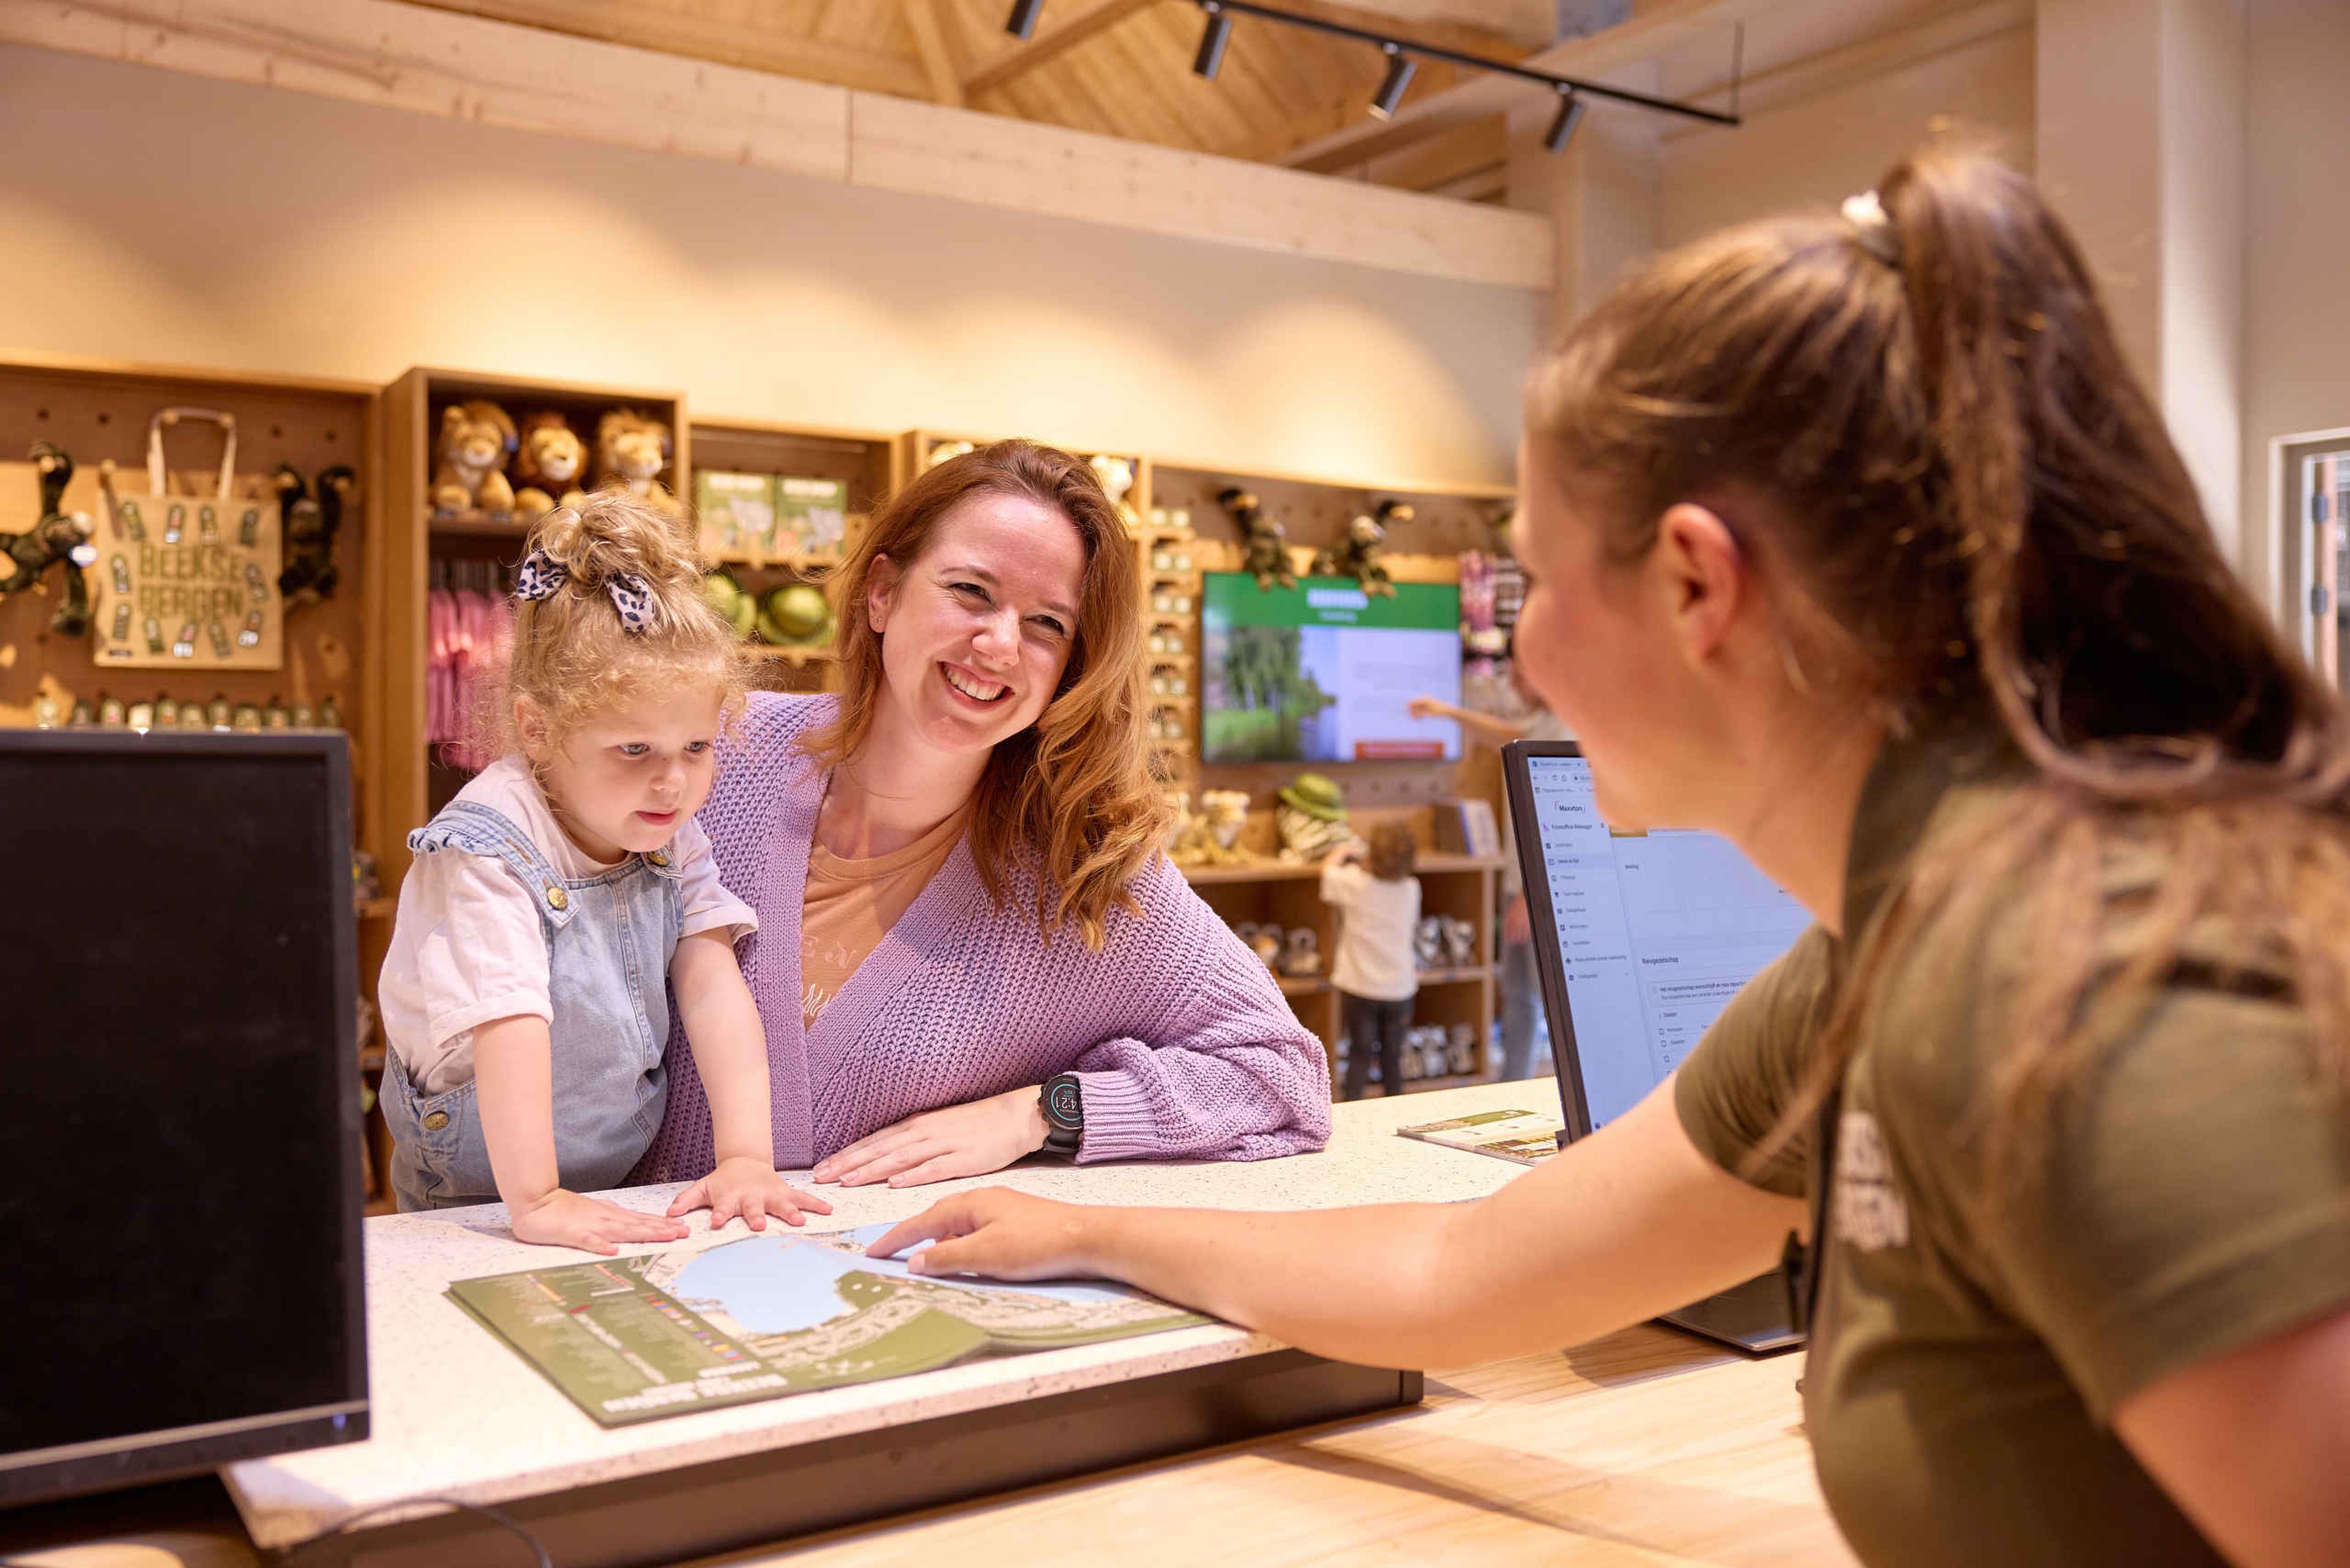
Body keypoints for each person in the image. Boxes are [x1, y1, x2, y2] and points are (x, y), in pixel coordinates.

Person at [869, 150, 2350, 1567]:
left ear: (1696, 583)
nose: (1520, 654)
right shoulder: (1883, 956)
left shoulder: (2073, 973)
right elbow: (1468, 1273)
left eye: (1536, 577)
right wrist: (1091, 1229)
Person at [633, 440, 1330, 1191]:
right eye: (970, 591)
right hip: (618, 1248)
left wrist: (1038, 1116)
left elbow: (1282, 1073)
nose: (999, 645)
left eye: (1048, 624)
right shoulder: (709, 755)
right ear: (882, 593)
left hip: (892, 1261)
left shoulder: (1082, 868)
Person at [379, 493, 826, 1252]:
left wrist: (747, 1158)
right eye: (634, 750)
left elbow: (712, 983)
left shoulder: (666, 832)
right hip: (481, 1195)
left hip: (609, 1178)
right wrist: (539, 1201)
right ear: (537, 728)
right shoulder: (486, 848)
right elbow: (509, 1025)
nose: (672, 783)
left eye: (696, 747)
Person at [1411, 663, 1570, 1080]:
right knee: (1517, 994)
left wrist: (1529, 898)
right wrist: (1447, 712)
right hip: (1520, 887)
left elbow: (1556, 828)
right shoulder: (1543, 723)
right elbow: (1503, 733)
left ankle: (1563, 1092)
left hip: (1539, 893)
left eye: (1521, 675)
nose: (1513, 685)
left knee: (1546, 997)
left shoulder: (1564, 728)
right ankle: (1513, 1085)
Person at [1321, 821, 1422, 1099]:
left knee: (1360, 1053)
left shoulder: (1355, 883)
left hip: (1360, 986)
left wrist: (1343, 851)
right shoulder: (1412, 888)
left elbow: (1327, 873)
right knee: (1392, 1057)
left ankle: (1351, 1108)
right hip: (1399, 988)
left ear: (1371, 855)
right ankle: (1395, 1109)